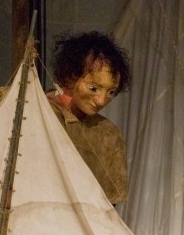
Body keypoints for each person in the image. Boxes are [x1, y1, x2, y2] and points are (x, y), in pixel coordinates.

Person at [47, 31, 132, 205]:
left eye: (111, 92)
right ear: (70, 77)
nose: (101, 100)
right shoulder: (39, 112)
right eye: (93, 88)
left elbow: (109, 205)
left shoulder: (108, 134)